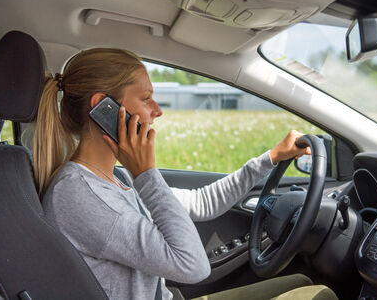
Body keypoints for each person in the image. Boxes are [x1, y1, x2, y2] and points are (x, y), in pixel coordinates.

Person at [34, 48, 313, 300]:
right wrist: (145, 173)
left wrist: (272, 158)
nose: (157, 111)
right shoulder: (79, 196)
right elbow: (193, 266)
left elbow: (202, 203)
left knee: (303, 282)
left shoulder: (114, 179)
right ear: (103, 108)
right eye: (146, 99)